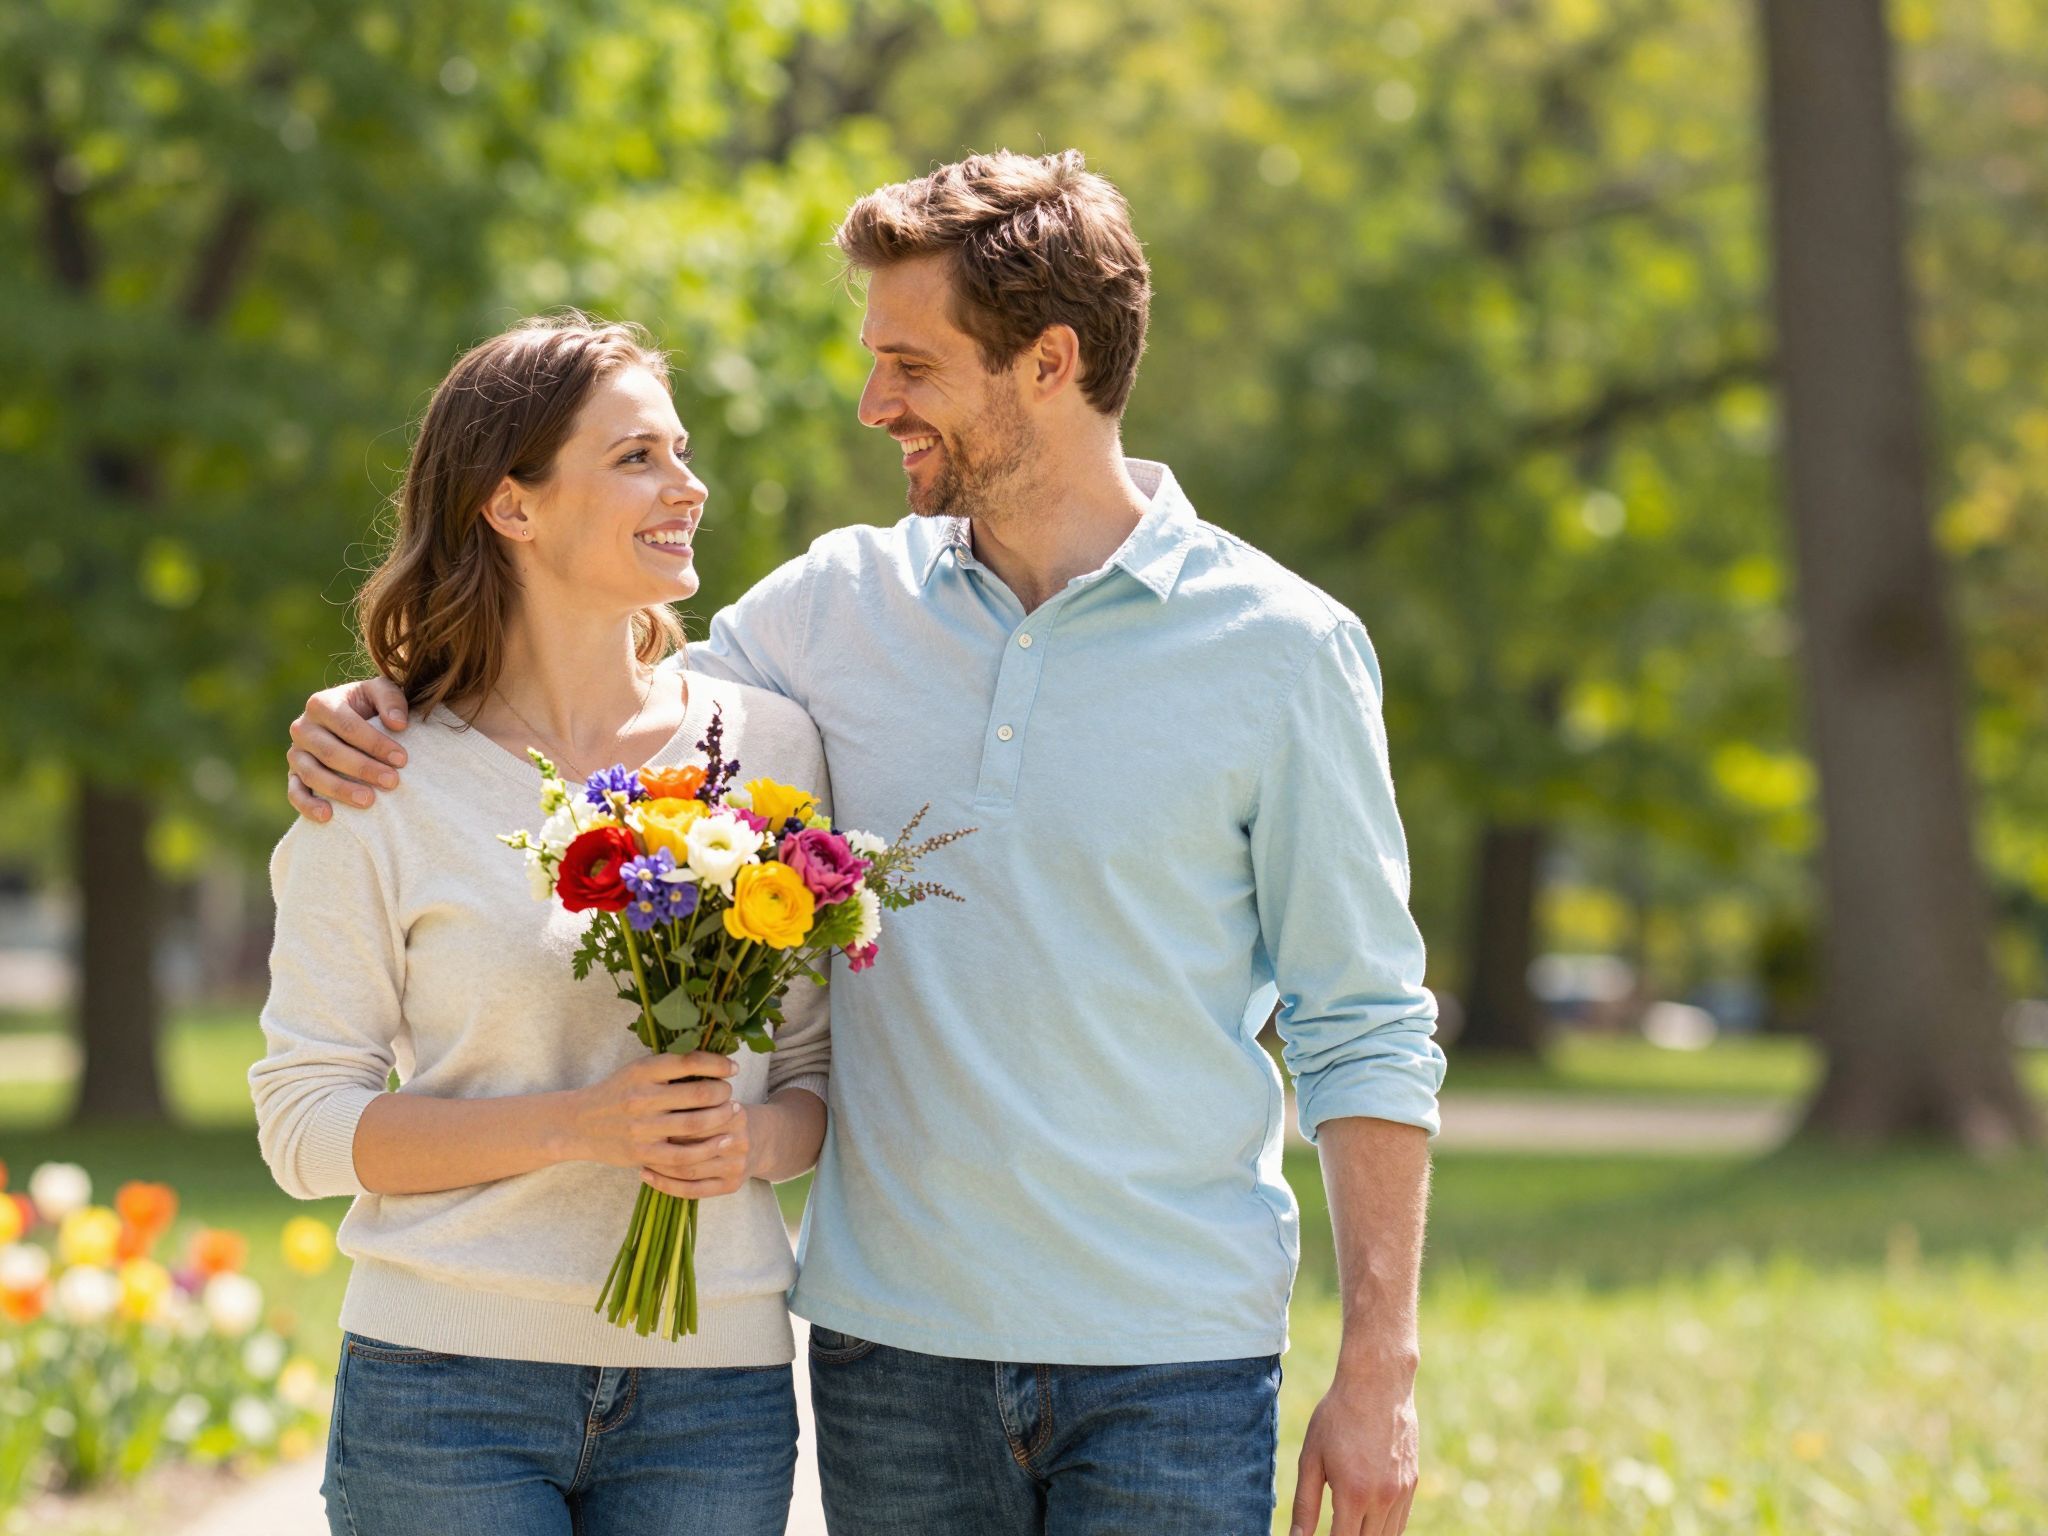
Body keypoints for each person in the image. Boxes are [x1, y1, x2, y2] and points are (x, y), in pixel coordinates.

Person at [286, 151, 1444, 1536]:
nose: (871, 402)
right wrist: (379, 704)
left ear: (1049, 362)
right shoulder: (833, 609)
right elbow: (594, 698)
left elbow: (1363, 1023)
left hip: (1173, 1356)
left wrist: (1378, 1364)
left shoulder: (1283, 651)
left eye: (910, 363)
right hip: (891, 1358)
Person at [252, 315, 832, 1536]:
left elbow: (812, 1084)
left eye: (680, 451)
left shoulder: (769, 750)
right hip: (444, 1394)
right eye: (636, 458)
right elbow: (305, 1129)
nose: (690, 486)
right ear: (510, 505)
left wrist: (750, 1144)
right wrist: (583, 1127)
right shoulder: (377, 775)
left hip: (714, 1389)